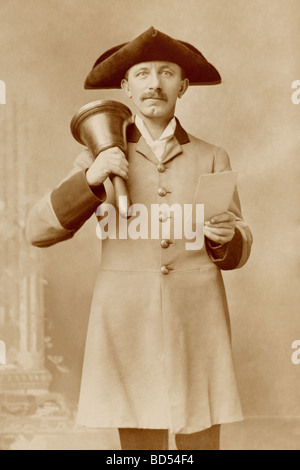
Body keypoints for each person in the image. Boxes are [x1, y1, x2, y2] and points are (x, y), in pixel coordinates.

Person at [26, 27, 253, 450]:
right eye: (143, 74)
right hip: (127, 321)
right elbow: (37, 231)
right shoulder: (97, 156)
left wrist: (226, 238)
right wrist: (90, 179)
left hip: (196, 319)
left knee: (199, 443)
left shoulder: (211, 155)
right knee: (139, 451)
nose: (154, 83)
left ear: (183, 86)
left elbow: (240, 237)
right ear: (126, 87)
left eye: (167, 73)